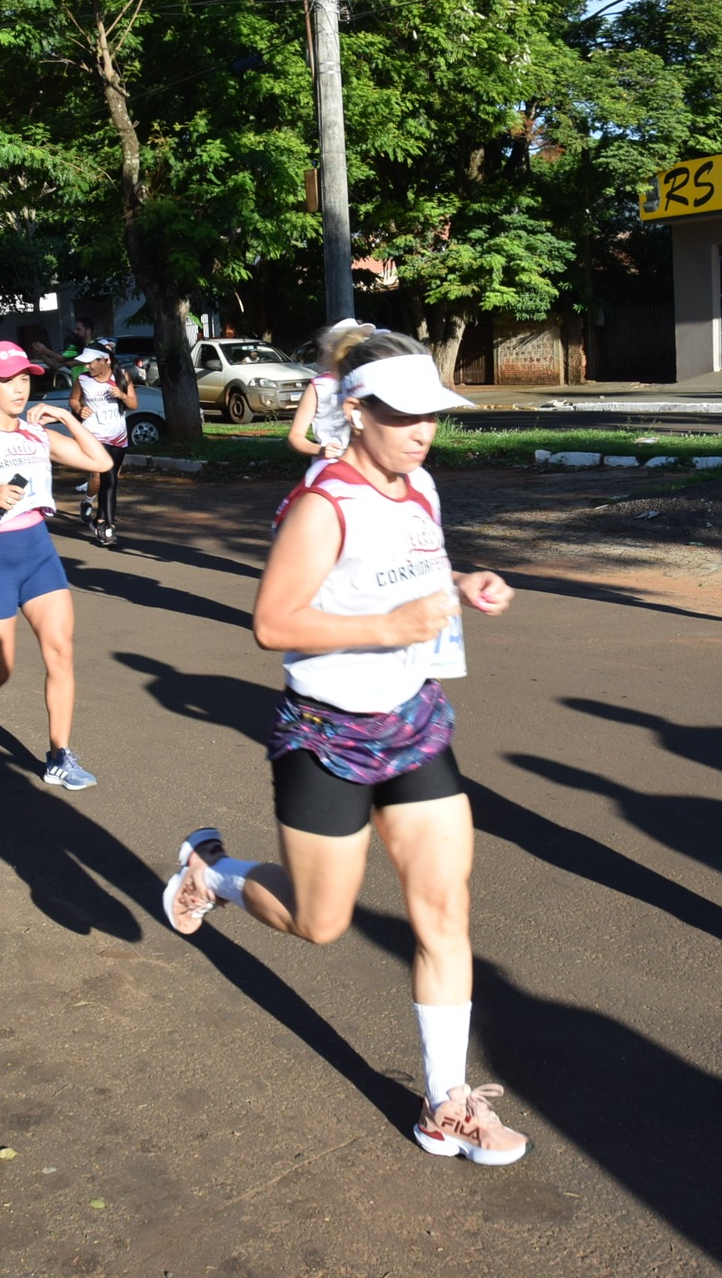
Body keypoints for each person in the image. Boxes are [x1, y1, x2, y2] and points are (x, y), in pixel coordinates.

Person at [158, 327, 529, 1167]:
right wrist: (386, 626)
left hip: (414, 722)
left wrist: (460, 584)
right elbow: (270, 623)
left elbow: (415, 566)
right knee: (318, 923)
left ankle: (446, 1103)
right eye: (402, 415)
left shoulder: (421, 485)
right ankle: (211, 872)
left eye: (431, 414)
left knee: (445, 911)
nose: (421, 430)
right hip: (327, 735)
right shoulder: (323, 502)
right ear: (354, 412)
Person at [0, 342, 113, 790]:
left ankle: (59, 756)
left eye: (25, 379)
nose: (18, 389)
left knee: (61, 652)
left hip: (37, 551)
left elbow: (101, 462)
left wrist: (67, 418)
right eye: (8, 380)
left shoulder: (34, 434)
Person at [71, 350, 135, 547]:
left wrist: (122, 395)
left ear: (105, 360)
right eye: (86, 364)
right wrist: (79, 409)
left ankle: (93, 511)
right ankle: (106, 525)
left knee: (110, 479)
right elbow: (73, 400)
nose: (88, 367)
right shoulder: (82, 379)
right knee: (108, 477)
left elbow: (133, 403)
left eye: (91, 363)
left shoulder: (122, 375)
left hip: (118, 435)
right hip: (94, 435)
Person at [285, 325, 354, 465]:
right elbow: (295, 437)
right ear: (333, 349)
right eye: (351, 345)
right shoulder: (320, 386)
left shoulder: (370, 381)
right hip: (331, 470)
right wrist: (321, 450)